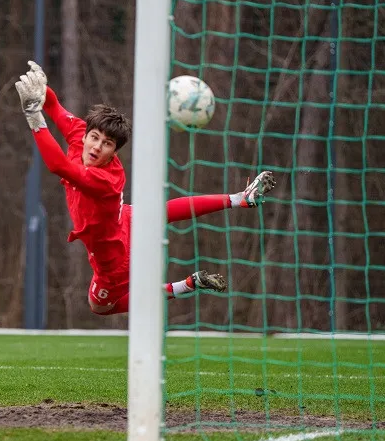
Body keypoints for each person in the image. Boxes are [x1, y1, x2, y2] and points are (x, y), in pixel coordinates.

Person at [14, 61, 276, 315]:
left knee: (100, 307)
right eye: (94, 138)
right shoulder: (83, 137)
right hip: (124, 221)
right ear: (85, 134)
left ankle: (184, 286)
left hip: (115, 259)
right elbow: (55, 107)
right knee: (159, 212)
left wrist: (33, 117)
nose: (97, 147)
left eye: (107, 144)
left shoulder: (103, 179)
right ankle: (240, 198)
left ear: (115, 152)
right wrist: (42, 90)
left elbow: (58, 165)